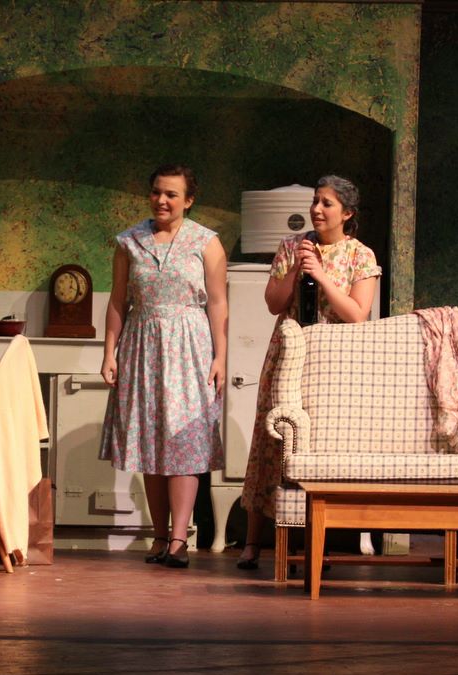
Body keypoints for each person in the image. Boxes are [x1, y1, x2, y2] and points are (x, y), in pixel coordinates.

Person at [237, 175, 382, 569]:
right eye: (315, 201)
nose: (317, 209)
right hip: (288, 355)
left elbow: (357, 314)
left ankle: (316, 544)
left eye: (327, 203)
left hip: (333, 363)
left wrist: (320, 274)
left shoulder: (360, 255)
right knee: (270, 441)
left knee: (321, 446)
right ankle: (252, 542)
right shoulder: (291, 246)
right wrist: (295, 269)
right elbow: (273, 303)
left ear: (347, 213)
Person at [99, 163, 227, 569]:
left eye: (171, 194)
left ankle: (179, 538)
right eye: (157, 192)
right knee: (150, 440)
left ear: (188, 200)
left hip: (189, 346)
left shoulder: (206, 242)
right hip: (142, 345)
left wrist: (221, 356)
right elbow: (118, 300)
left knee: (184, 439)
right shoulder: (130, 241)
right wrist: (109, 351)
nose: (162, 200)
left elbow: (218, 302)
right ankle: (158, 535)